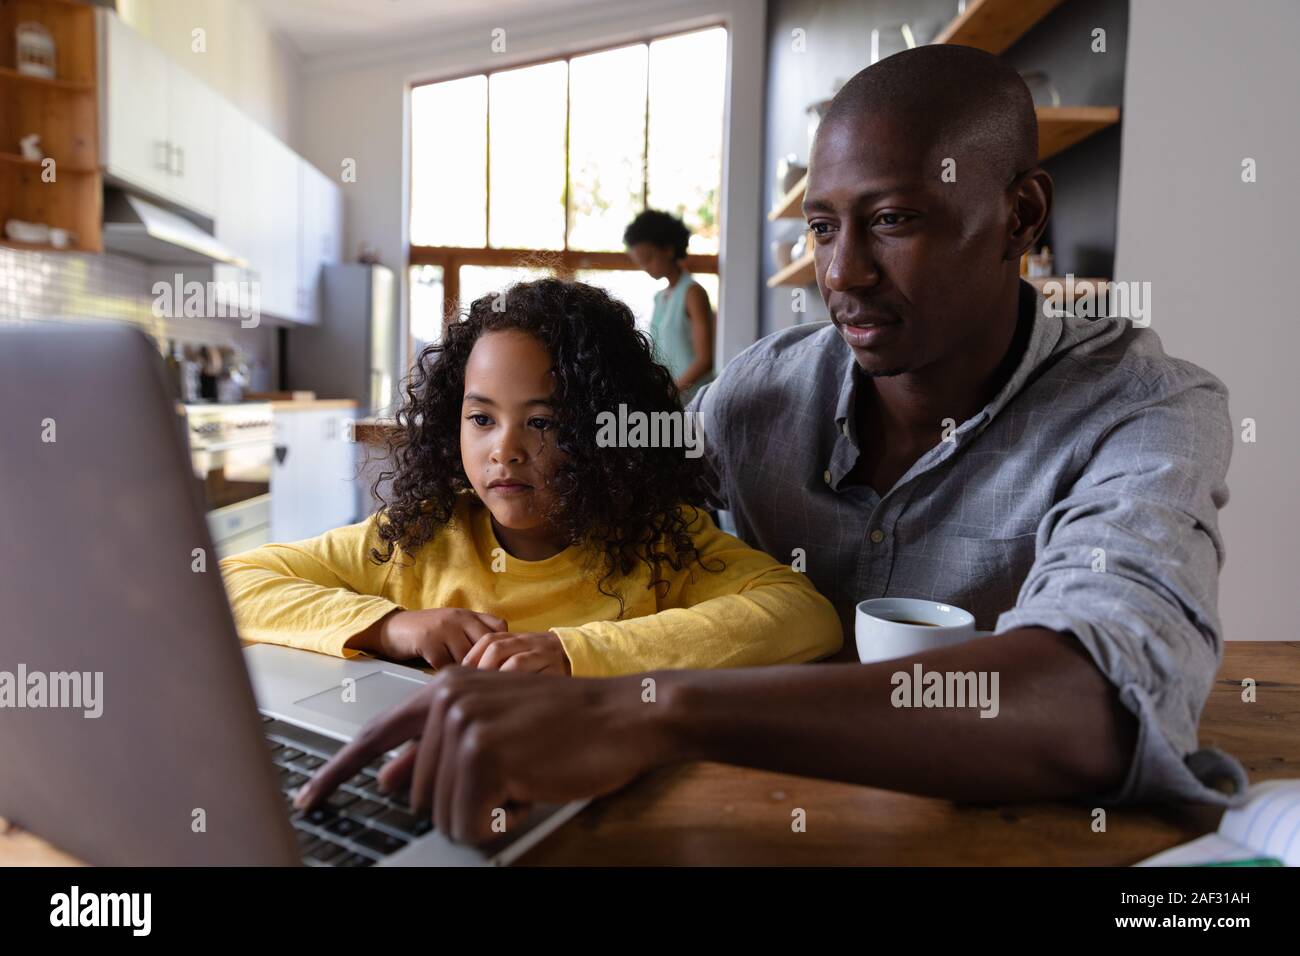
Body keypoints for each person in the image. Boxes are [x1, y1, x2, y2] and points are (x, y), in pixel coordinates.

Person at [295, 45, 1248, 843]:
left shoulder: (1146, 411)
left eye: (893, 221)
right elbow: (625, 523)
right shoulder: (754, 395)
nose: (844, 275)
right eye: (825, 228)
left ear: (1022, 216)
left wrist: (645, 710)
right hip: (746, 826)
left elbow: (1097, 700)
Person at [221, 279, 840, 676]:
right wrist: (393, 625)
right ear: (450, 424)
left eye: (542, 422)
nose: (505, 450)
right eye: (482, 418)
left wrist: (573, 652)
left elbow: (804, 617)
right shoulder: (417, 536)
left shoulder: (662, 543)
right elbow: (232, 582)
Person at [624, 209, 716, 401]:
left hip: (695, 399)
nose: (646, 268)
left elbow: (704, 359)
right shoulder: (660, 298)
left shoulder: (693, 293)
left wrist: (671, 391)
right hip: (671, 399)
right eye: (641, 263)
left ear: (668, 249)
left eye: (648, 259)